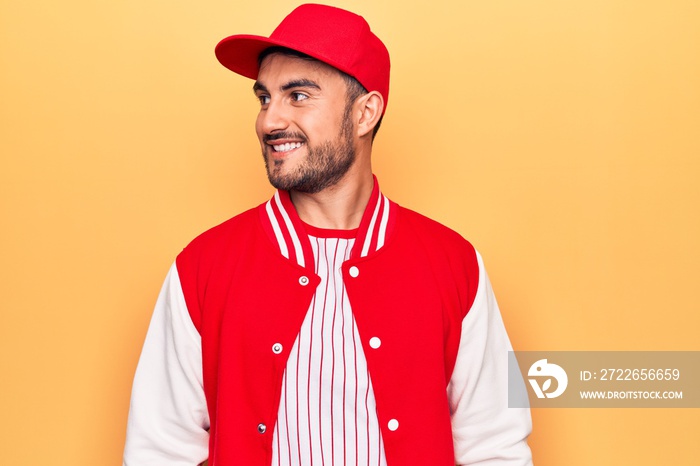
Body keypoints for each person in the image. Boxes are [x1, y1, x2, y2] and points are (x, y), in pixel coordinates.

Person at [123, 4, 533, 466]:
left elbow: (495, 445)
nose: (269, 121)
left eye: (297, 96)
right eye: (264, 98)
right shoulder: (203, 266)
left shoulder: (453, 264)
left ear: (365, 113)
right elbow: (158, 451)